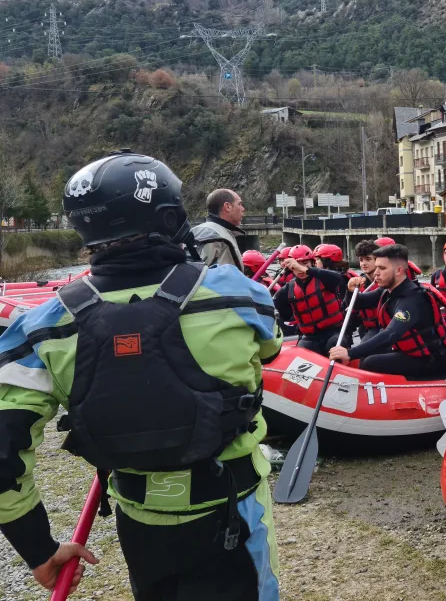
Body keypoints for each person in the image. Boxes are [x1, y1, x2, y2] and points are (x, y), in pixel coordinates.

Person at [0, 151, 279, 600]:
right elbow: (270, 348)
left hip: (139, 521)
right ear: (170, 218)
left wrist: (37, 549)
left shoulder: (41, 326)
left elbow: (3, 455)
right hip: (233, 511)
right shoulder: (241, 298)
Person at [329, 244, 446, 379]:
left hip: (431, 361)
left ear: (398, 271)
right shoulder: (388, 290)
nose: (376, 273)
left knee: (370, 362)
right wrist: (350, 291)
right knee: (369, 355)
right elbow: (359, 303)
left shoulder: (412, 300)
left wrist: (350, 353)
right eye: (376, 267)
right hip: (409, 353)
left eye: (382, 268)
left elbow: (391, 333)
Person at [273, 244, 348, 355]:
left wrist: (306, 270)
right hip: (310, 337)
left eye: (305, 263)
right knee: (302, 352)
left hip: (334, 332)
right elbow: (284, 312)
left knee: (335, 344)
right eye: (296, 265)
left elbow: (338, 278)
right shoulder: (287, 290)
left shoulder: (324, 279)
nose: (300, 268)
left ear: (312, 263)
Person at [191, 188, 246, 270]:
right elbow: (193, 273)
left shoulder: (214, 231)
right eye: (239, 204)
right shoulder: (210, 234)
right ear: (227, 206)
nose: (243, 209)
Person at [347, 239, 381, 339]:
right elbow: (348, 306)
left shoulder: (386, 281)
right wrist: (349, 291)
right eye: (361, 260)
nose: (363, 263)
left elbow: (361, 301)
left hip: (385, 327)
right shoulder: (359, 281)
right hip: (367, 328)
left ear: (377, 260)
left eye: (368, 259)